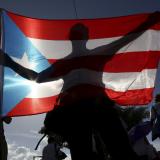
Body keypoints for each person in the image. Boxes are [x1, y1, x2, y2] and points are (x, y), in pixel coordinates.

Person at [0, 12, 159, 160]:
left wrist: (148, 23)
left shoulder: (99, 52)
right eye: (77, 28)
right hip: (74, 111)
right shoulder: (63, 63)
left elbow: (126, 39)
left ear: (87, 36)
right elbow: (36, 77)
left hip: (98, 106)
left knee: (120, 149)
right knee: (83, 153)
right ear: (72, 37)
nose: (79, 28)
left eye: (82, 28)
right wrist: (10, 63)